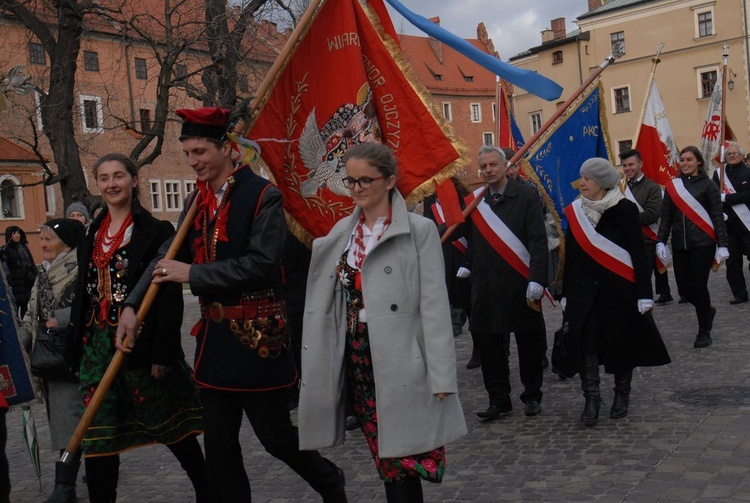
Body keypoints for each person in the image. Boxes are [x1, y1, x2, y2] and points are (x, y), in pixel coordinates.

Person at [116, 107, 347, 503]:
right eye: (188, 153)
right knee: (220, 447)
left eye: (201, 151)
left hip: (259, 339)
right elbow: (162, 258)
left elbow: (260, 264)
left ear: (227, 148)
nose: (193, 162)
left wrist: (193, 274)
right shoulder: (195, 200)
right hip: (215, 342)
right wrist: (132, 306)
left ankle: (329, 480)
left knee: (276, 438)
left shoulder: (263, 196)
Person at [299, 142, 466, 503]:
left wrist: (440, 375)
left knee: (403, 459)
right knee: (385, 454)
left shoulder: (418, 231)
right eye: (351, 181)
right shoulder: (341, 234)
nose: (357, 188)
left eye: (365, 180)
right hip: (357, 357)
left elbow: (434, 305)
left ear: (389, 181)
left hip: (402, 358)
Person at [67, 153, 208, 503]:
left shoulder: (156, 231)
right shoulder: (91, 232)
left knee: (173, 429)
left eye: (118, 176)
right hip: (96, 348)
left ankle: (209, 491)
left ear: (133, 180)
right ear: (97, 185)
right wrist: (75, 349)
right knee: (98, 437)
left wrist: (163, 352)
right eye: (104, 178)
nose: (111, 184)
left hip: (139, 346)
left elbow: (169, 298)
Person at [561, 157, 670, 427]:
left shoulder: (625, 209)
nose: (582, 183)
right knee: (587, 344)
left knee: (620, 343)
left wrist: (644, 293)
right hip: (584, 292)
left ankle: (622, 394)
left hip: (619, 290)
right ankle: (591, 397)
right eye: (582, 178)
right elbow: (571, 256)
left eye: (587, 178)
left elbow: (637, 253)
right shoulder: (576, 211)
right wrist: (565, 292)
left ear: (602, 182)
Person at [465, 146, 548, 419]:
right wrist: (468, 266)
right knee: (490, 348)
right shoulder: (476, 201)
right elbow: (471, 238)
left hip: (520, 283)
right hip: (486, 286)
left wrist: (537, 278)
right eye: (484, 166)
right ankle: (498, 399)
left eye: (493, 165)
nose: (488, 170)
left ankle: (532, 395)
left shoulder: (525, 196)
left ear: (505, 167)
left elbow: (538, 241)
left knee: (529, 345)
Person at [22, 218, 85, 503]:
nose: (42, 244)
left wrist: (57, 320)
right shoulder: (43, 274)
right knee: (66, 421)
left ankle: (65, 487)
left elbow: (90, 306)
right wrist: (20, 338)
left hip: (72, 358)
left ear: (67, 244)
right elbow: (31, 315)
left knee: (69, 421)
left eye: (48, 239)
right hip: (49, 357)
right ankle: (69, 484)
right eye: (41, 238)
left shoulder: (78, 269)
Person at [657, 146, 729, 348]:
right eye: (682, 160)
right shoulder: (673, 187)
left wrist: (723, 245)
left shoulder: (708, 185)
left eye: (689, 159)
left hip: (703, 244)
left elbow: (717, 216)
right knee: (684, 290)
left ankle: (703, 331)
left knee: (698, 286)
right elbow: (666, 218)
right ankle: (707, 310)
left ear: (698, 161)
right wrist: (661, 241)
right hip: (680, 244)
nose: (685, 163)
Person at [422, 177, 476, 366]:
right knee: (447, 295)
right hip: (444, 254)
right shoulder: (429, 201)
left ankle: (478, 347)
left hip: (463, 255)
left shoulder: (465, 199)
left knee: (470, 301)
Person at [620, 149, 673, 304]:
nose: (627, 168)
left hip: (647, 240)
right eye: (624, 165)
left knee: (644, 278)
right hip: (628, 241)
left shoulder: (652, 187)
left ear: (640, 164)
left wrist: (625, 217)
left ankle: (647, 304)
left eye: (631, 164)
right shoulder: (620, 188)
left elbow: (652, 214)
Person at [712, 141, 750, 304]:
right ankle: (739, 293)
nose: (732, 155)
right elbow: (713, 195)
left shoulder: (748, 172)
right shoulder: (719, 174)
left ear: (742, 155)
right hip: (729, 226)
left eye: (735, 153)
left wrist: (726, 198)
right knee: (733, 263)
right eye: (729, 153)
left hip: (747, 224)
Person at [0, 226, 37, 318]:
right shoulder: (6, 249)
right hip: (15, 283)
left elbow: (31, 263)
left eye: (18, 233)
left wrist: (36, 275)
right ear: (10, 235)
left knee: (26, 306)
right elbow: (5, 267)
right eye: (14, 233)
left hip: (26, 282)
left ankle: (26, 324)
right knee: (15, 306)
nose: (17, 235)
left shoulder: (24, 247)